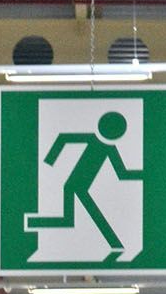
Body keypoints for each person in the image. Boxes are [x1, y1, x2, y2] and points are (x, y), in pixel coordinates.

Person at [27, 109, 141, 262]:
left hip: (80, 185)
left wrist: (140, 175)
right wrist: (51, 157)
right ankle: (112, 242)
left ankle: (115, 243)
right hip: (75, 184)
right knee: (83, 209)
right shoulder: (98, 141)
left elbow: (121, 172)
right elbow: (65, 139)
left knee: (91, 212)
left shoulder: (108, 147)